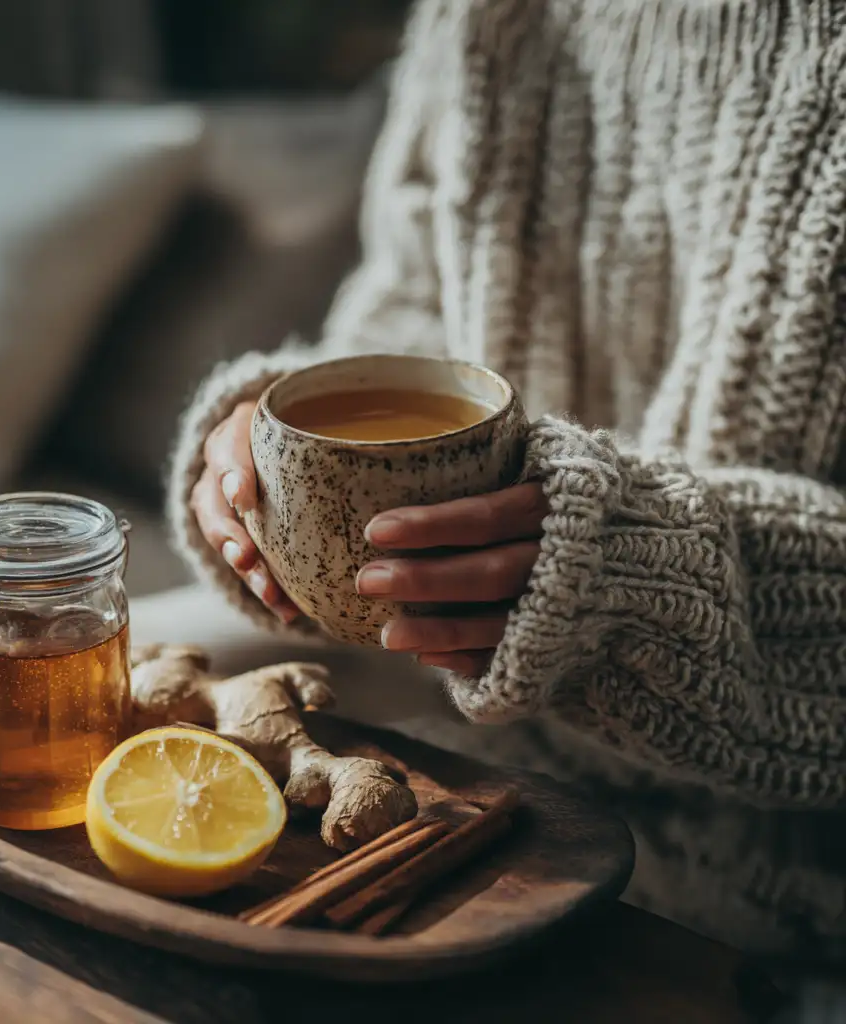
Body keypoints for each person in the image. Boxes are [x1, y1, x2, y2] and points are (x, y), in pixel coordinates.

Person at [159, 0, 846, 960]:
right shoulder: (482, 15)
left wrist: (628, 575)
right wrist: (272, 453)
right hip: (468, 761)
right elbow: (404, 311)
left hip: (783, 878)